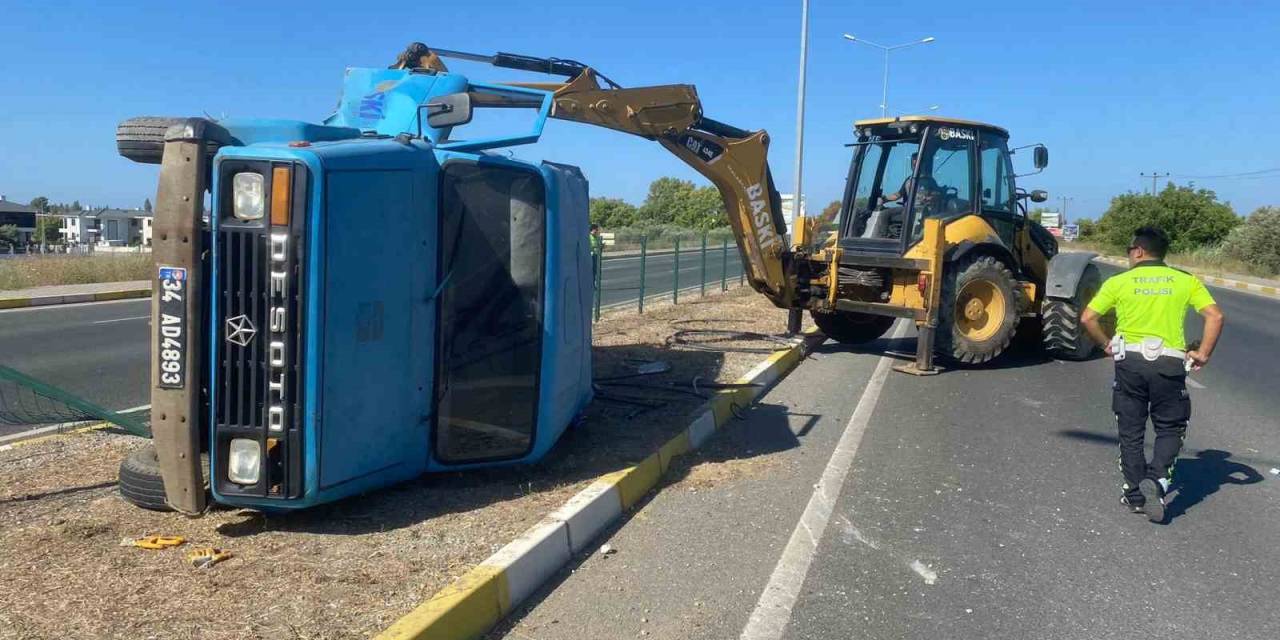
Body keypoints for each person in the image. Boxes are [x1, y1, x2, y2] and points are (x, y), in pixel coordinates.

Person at [1081, 226, 1225, 523]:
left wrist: (1105, 344)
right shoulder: (1185, 281)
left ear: (1138, 251)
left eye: (1129, 251)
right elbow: (1215, 315)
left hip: (1129, 363)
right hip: (1169, 364)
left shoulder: (1119, 281)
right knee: (1170, 426)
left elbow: (1088, 317)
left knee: (1130, 430)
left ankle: (1134, 494)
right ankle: (1158, 480)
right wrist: (1203, 353)